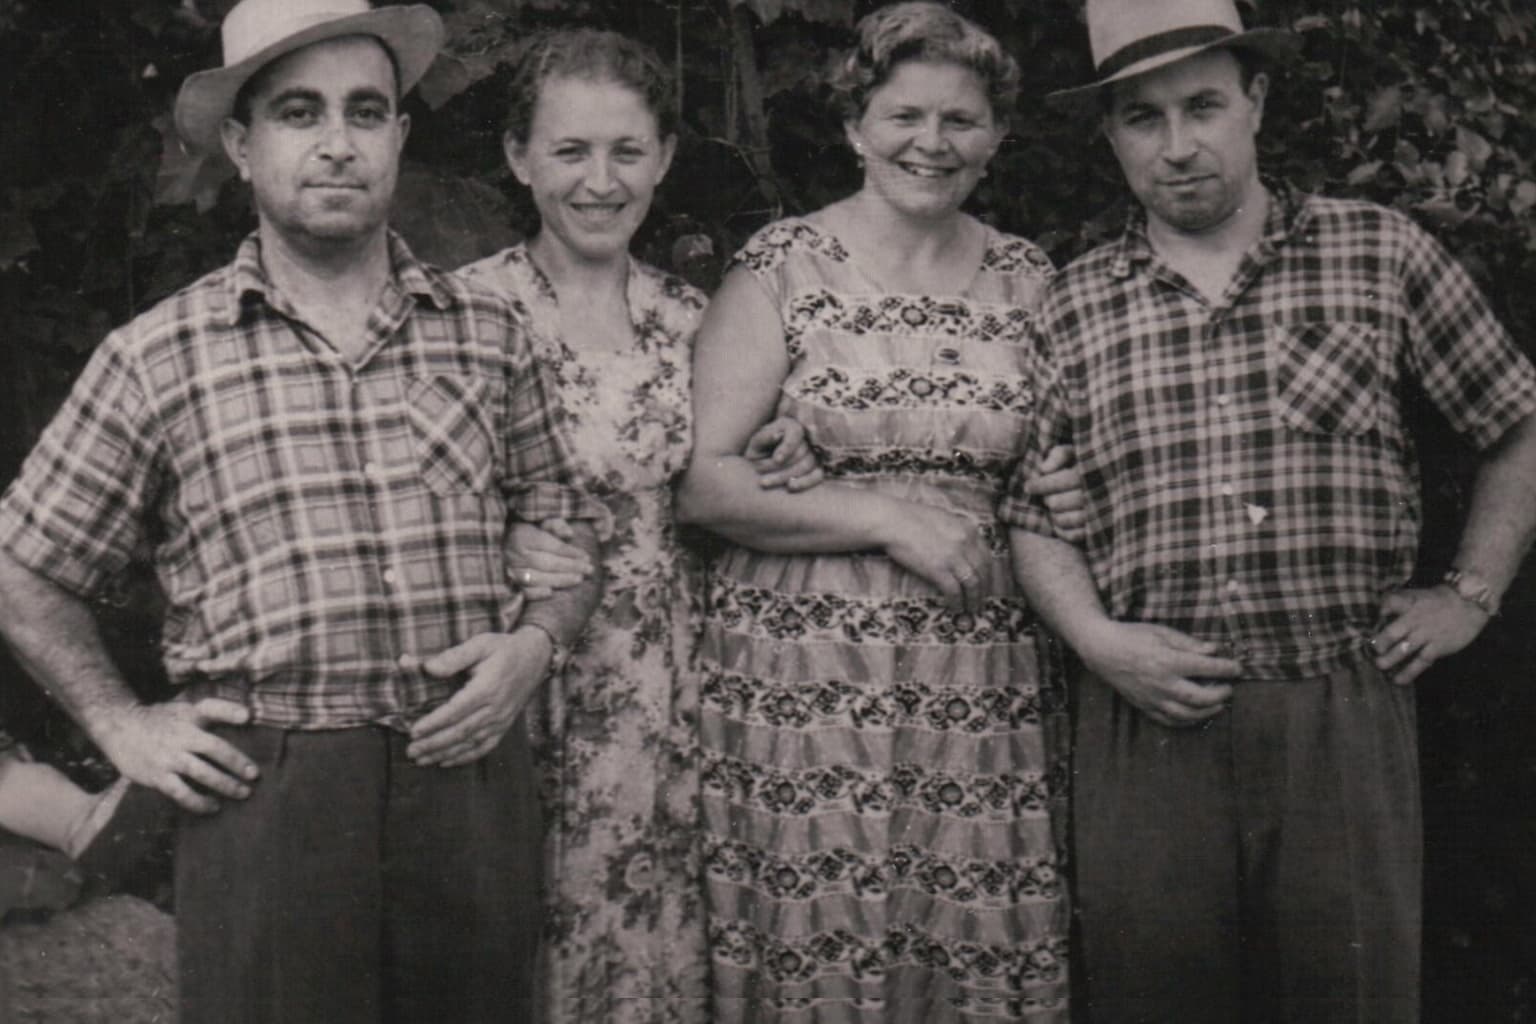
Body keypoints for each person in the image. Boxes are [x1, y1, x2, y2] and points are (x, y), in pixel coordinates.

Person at [0, 1, 609, 1020]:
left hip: (465, 779)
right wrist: (121, 723)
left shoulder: (493, 337)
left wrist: (536, 646)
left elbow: (569, 539)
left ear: (399, 139)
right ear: (241, 144)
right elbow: (22, 566)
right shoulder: (159, 357)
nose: (337, 143)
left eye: (365, 112)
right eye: (298, 112)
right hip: (266, 793)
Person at [1001, 1, 1536, 1021]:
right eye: (1142, 119)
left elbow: (1517, 421)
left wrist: (1472, 592)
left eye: (1202, 105)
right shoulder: (1072, 304)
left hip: (1339, 707)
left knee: (1352, 997)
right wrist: (1094, 638)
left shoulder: (1378, 252)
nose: (1179, 144)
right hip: (1145, 714)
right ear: (1111, 137)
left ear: (1256, 99)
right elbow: (1034, 513)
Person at [676, 4, 1078, 1018]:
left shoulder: (1030, 278)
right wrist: (886, 517)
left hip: (976, 675)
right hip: (803, 681)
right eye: (904, 115)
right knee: (821, 936)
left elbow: (1059, 468)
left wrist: (1066, 486)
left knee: (967, 931)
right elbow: (702, 480)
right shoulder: (782, 266)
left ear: (996, 137)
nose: (930, 143)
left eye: (960, 120)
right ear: (856, 125)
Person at [457, 29, 823, 1024]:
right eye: (570, 151)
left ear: (663, 159)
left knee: (648, 949)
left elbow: (727, 472)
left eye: (627, 151)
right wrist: (496, 542)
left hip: (663, 689)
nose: (600, 181)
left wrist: (776, 441)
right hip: (518, 675)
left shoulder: (693, 318)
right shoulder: (460, 316)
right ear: (518, 157)